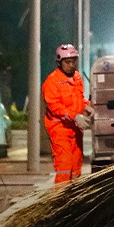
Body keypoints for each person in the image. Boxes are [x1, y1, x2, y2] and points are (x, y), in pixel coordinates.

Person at [42, 43, 93, 186]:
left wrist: (87, 107)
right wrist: (74, 115)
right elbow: (55, 107)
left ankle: (73, 200)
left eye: (74, 61)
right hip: (60, 129)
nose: (71, 65)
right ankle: (60, 202)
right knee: (65, 166)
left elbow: (79, 100)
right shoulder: (52, 82)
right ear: (59, 62)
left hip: (75, 128)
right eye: (67, 62)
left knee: (76, 167)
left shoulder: (77, 77)